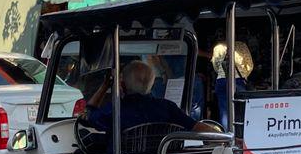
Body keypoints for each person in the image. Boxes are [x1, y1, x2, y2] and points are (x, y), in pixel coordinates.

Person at [85, 60, 223, 141]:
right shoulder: (167, 107)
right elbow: (195, 126)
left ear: (122, 85)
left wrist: (104, 86)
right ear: (151, 84)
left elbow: (90, 115)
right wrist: (224, 137)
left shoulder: (115, 110)